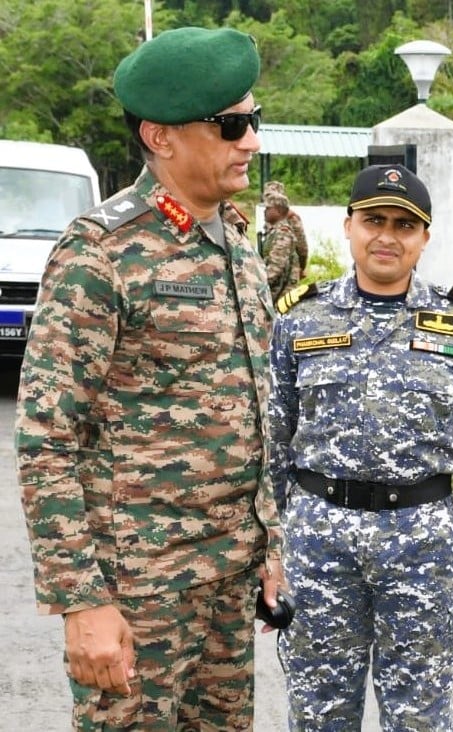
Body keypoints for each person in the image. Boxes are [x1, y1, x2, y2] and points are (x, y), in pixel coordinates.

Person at [14, 27, 287, 731]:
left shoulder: (236, 239)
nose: (250, 141)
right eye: (231, 125)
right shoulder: (102, 251)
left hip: (228, 580)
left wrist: (269, 546)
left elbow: (256, 406)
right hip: (139, 590)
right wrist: (82, 602)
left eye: (253, 121)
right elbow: (47, 438)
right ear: (161, 138)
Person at [268, 163, 453, 730]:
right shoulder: (300, 317)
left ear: (424, 238)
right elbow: (272, 441)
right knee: (318, 711)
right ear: (348, 226)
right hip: (319, 539)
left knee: (420, 714)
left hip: (420, 542)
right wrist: (268, 550)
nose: (387, 236)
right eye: (374, 220)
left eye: (405, 225)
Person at [262, 184, 302, 300]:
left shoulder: (282, 233)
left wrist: (257, 285)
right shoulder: (275, 230)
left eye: (268, 208)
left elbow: (276, 268)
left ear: (278, 211)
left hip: (282, 291)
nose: (265, 211)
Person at [265, 179, 309, 275]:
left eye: (272, 196)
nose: (268, 200)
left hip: (287, 269)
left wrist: (301, 268)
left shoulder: (292, 218)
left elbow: (302, 246)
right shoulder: (271, 217)